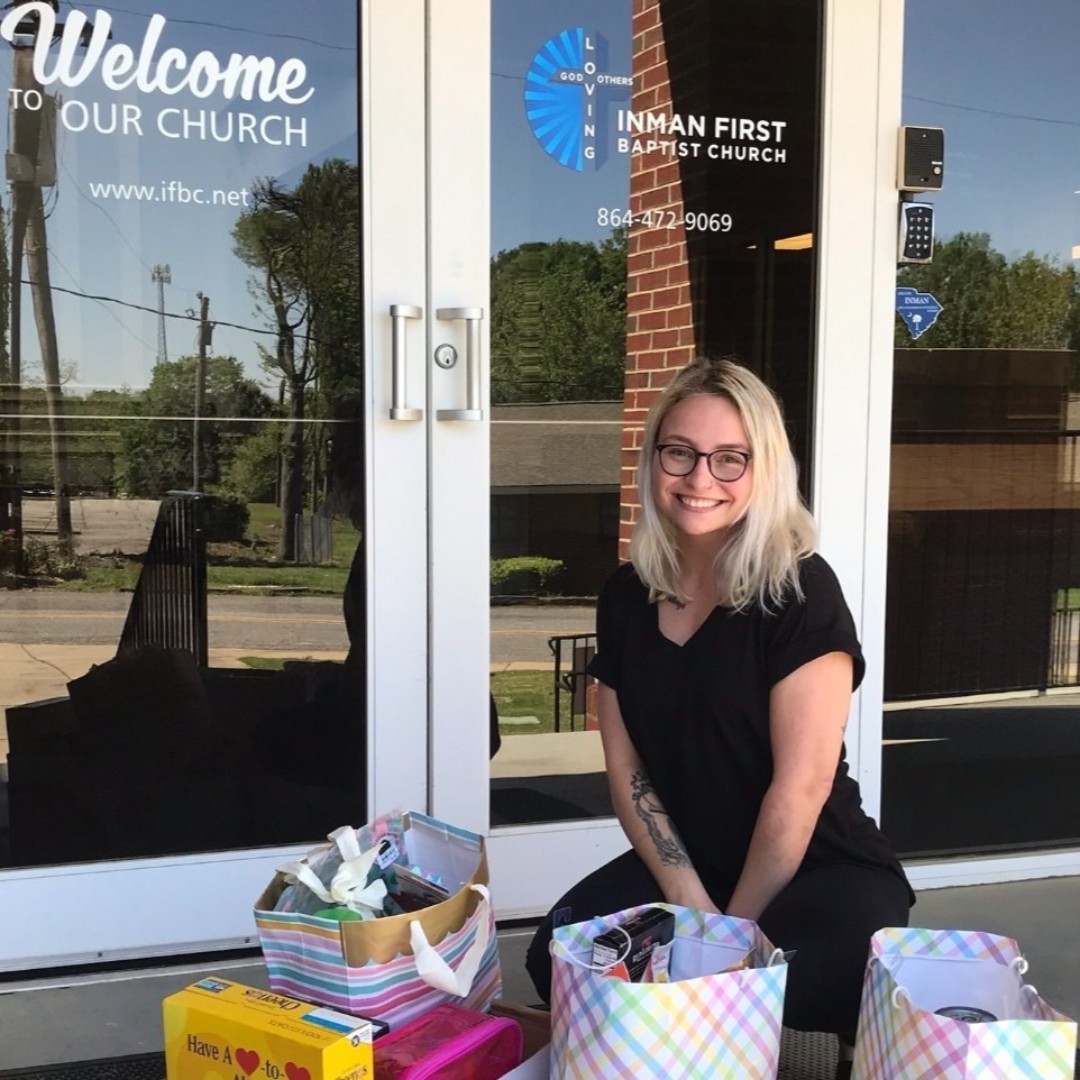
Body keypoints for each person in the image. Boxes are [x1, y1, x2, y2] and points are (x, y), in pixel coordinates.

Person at [525, 357, 913, 1077]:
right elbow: (627, 769)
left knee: (805, 970)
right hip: (691, 863)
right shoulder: (625, 595)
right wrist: (687, 904)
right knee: (556, 951)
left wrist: (728, 936)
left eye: (730, 458)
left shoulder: (799, 592)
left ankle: (778, 1045)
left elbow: (800, 789)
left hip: (816, 865)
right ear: (654, 459)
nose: (701, 479)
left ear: (762, 469)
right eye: (681, 452)